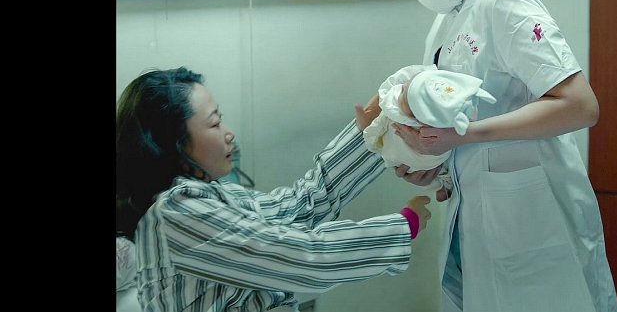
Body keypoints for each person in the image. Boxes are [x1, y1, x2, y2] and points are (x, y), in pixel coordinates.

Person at [385, 0, 617, 312]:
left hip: (534, 215)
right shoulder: (449, 15)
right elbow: (463, 115)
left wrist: (462, 137)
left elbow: (580, 106)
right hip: (478, 215)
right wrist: (434, 165)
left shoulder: (504, 2)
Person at [115, 67, 432, 312]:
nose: (228, 133)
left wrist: (368, 134)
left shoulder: (210, 196)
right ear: (174, 143)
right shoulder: (175, 214)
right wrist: (404, 225)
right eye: (214, 123)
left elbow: (299, 206)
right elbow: (303, 258)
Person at [362, 63, 496, 192]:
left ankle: (441, 186)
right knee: (432, 171)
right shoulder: (424, 105)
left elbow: (378, 127)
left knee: (431, 170)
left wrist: (369, 136)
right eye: (404, 89)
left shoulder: (399, 113)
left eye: (402, 93)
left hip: (475, 165)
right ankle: (441, 186)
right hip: (426, 164)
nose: (401, 90)